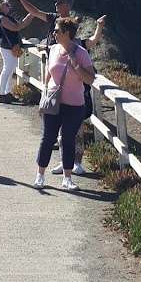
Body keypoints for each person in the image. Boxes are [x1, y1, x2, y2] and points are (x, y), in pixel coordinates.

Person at [16, 0, 107, 173]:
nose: (56, 4)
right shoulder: (53, 22)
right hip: (56, 81)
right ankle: (66, 163)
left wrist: (99, 27)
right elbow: (34, 11)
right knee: (60, 131)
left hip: (74, 86)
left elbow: (91, 42)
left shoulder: (76, 39)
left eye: (59, 2)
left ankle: (77, 163)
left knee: (75, 129)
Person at [33, 17, 95, 190]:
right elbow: (49, 73)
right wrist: (44, 94)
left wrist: (76, 64)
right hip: (53, 102)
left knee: (68, 139)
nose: (54, 33)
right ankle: (40, 175)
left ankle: (67, 179)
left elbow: (90, 79)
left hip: (74, 105)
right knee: (47, 139)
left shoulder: (81, 53)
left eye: (57, 31)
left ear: (67, 33)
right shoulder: (53, 49)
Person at [0, 0, 32, 104]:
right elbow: (16, 27)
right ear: (0, 6)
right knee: (7, 69)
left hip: (9, 46)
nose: (8, 6)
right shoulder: (3, 18)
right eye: (6, 5)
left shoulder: (5, 17)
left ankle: (6, 93)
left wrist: (30, 16)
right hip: (7, 47)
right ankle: (1, 94)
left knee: (9, 70)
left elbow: (18, 26)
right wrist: (30, 16)